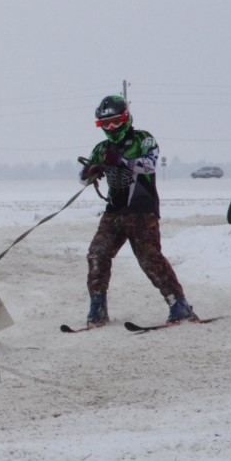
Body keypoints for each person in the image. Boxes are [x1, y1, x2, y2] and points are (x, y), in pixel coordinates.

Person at [79, 94, 196, 326]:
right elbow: (82, 179)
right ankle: (97, 307)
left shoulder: (143, 139)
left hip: (142, 210)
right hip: (114, 211)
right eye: (105, 124)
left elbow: (150, 165)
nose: (111, 128)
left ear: (126, 118)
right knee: (97, 253)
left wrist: (122, 161)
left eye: (115, 122)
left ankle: (179, 304)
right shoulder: (101, 148)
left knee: (149, 258)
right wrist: (90, 171)